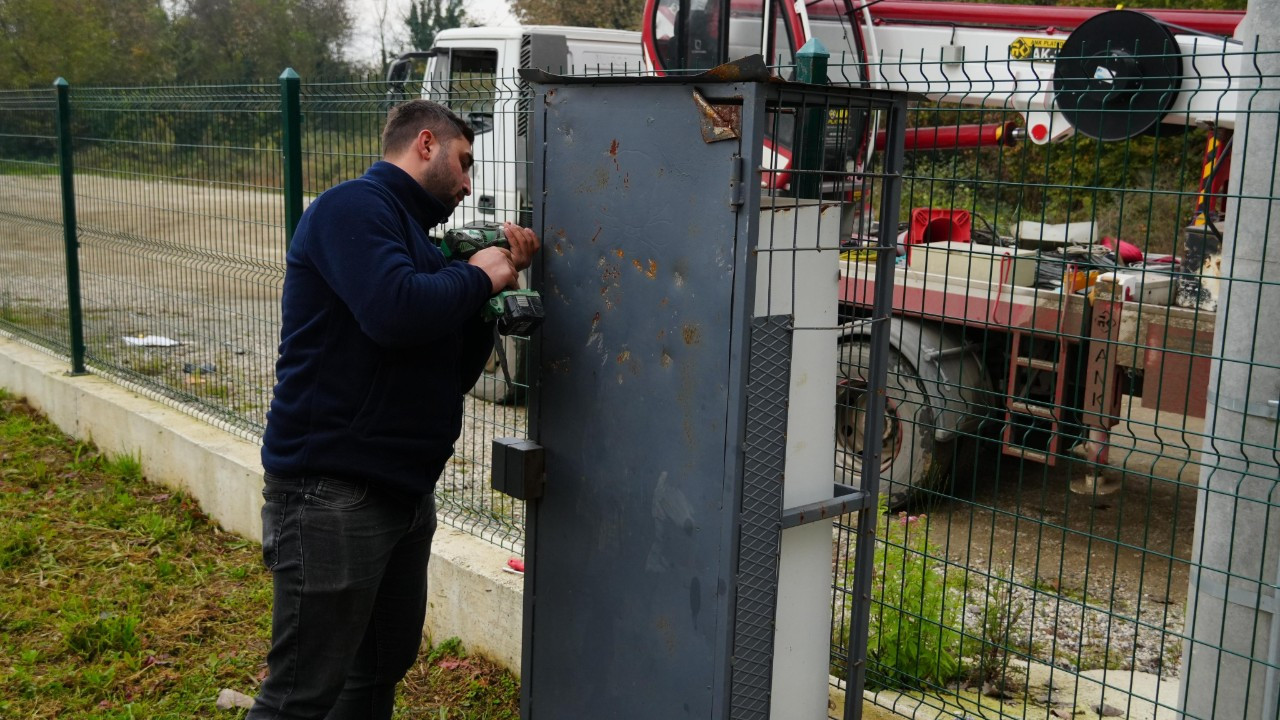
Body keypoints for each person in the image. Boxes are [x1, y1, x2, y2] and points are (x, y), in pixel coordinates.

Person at [249, 99, 540, 719]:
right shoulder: (352, 208)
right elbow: (393, 312)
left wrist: (489, 292)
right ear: (425, 144)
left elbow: (445, 372)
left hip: (402, 496)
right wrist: (481, 276)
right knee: (301, 692)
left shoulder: (418, 241)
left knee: (376, 671)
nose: (468, 184)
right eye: (464, 164)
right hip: (330, 493)